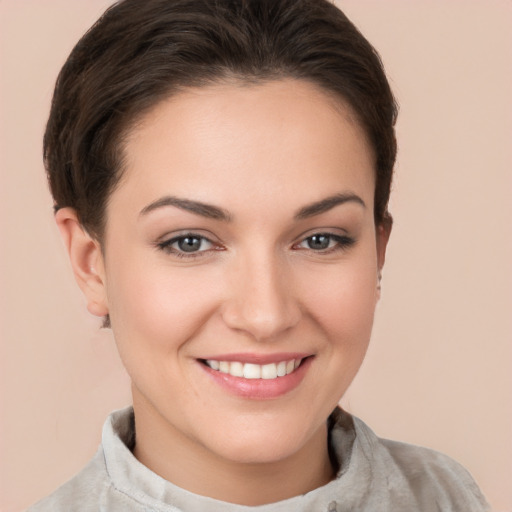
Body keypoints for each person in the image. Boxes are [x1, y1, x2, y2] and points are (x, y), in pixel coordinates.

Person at [28, 0, 489, 510]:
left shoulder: (448, 496)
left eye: (321, 239)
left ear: (378, 253)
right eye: (190, 242)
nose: (266, 315)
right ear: (91, 263)